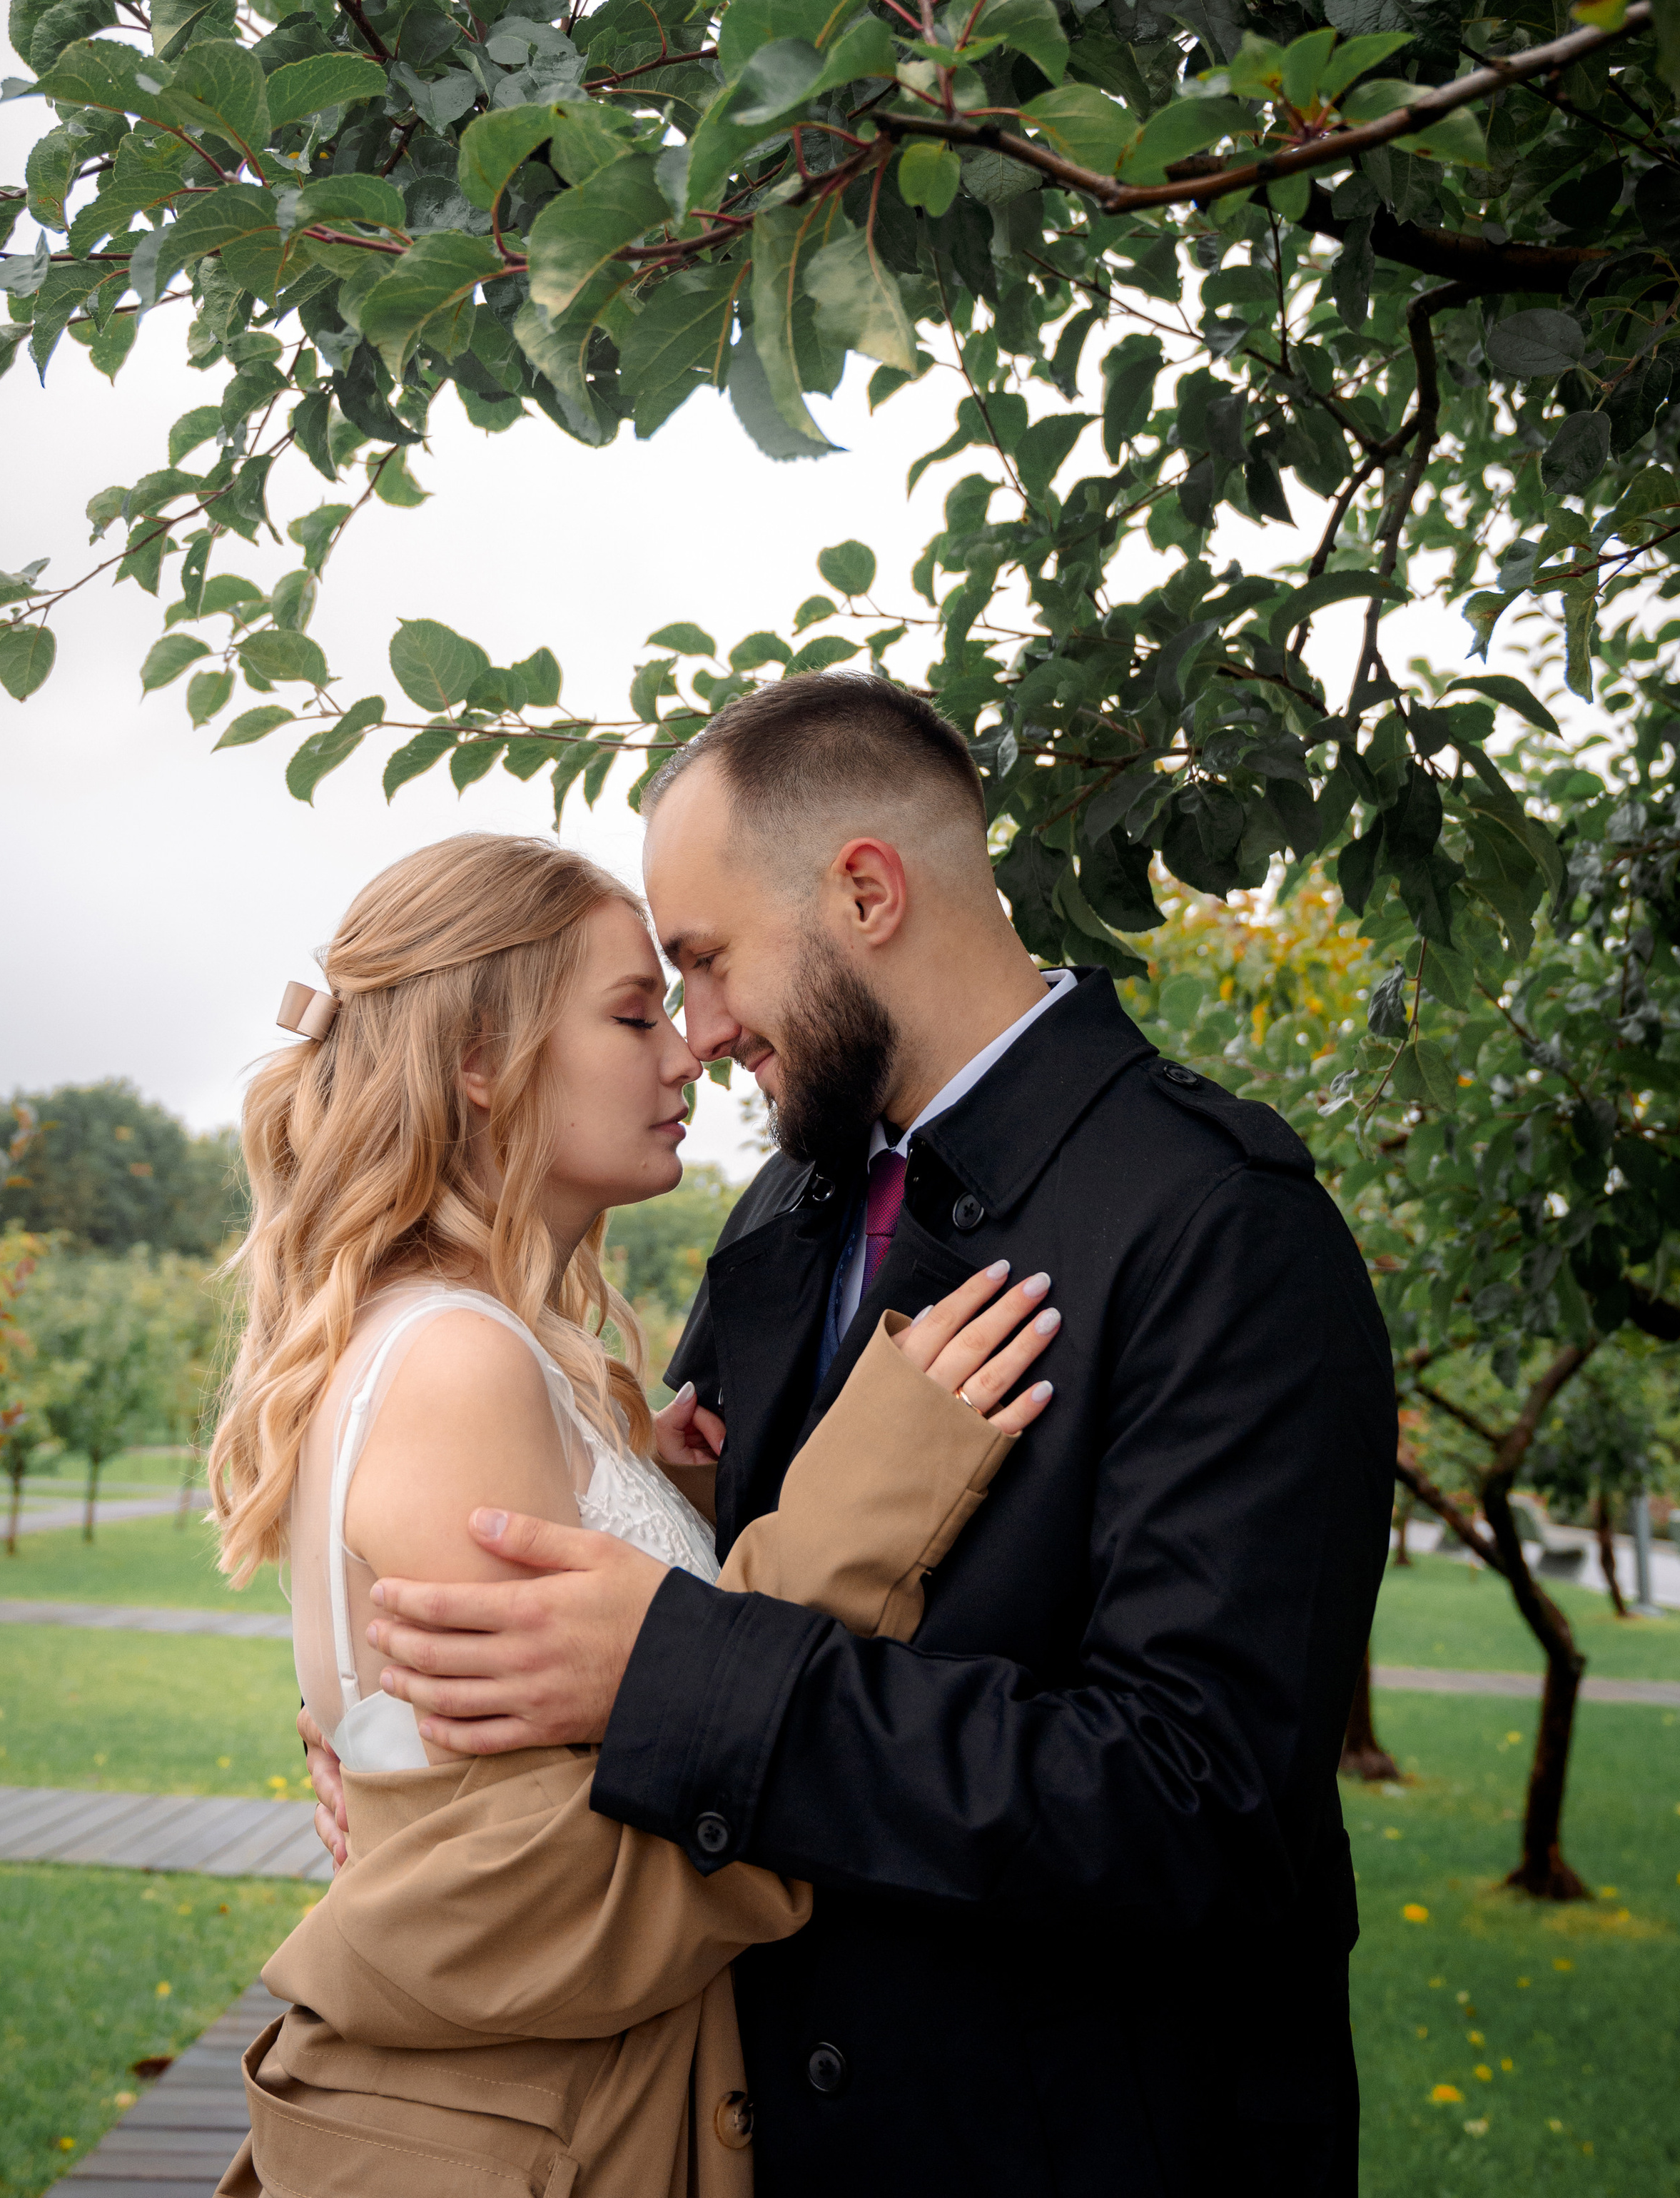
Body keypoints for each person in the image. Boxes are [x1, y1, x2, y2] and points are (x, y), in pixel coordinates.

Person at [339, 676, 1398, 2197]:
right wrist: (426, 1813)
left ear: (863, 890)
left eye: (701, 963)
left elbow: (1200, 1807)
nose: (695, 1036)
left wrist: (678, 1672)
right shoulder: (783, 1213)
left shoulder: (1219, 1228)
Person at [208, 830, 1056, 2195]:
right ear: (480, 1059)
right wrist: (879, 1482)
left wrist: (660, 1491)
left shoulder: (513, 1352)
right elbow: (569, 1879)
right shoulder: (455, 1363)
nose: (687, 1052)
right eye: (633, 1011)